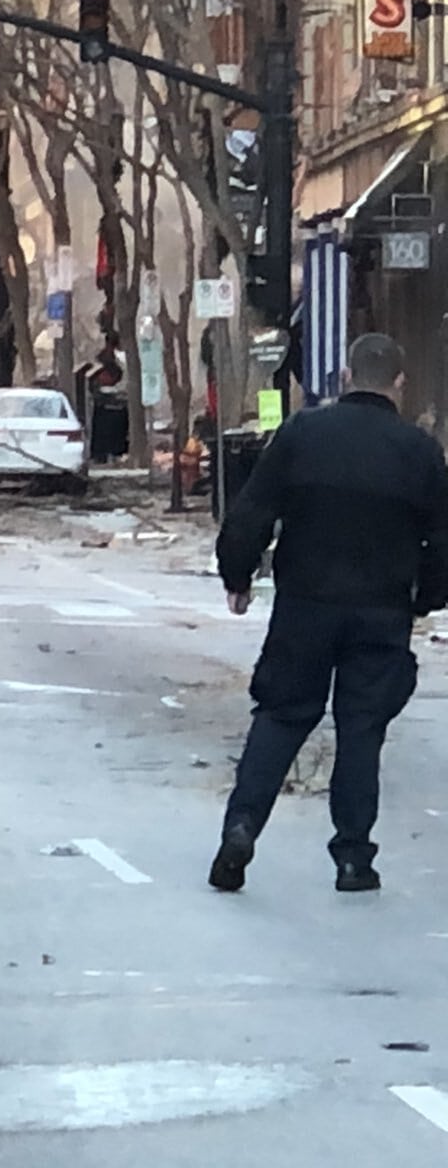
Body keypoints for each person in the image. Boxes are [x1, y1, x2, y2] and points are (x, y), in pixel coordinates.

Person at [210, 334, 448, 893]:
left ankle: (242, 827)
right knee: (362, 731)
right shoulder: (419, 452)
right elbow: (442, 541)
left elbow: (251, 512)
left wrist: (237, 575)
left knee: (281, 717)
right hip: (381, 611)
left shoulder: (302, 434)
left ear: (344, 377)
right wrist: (426, 598)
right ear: (399, 384)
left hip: (305, 606)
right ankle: (353, 858)